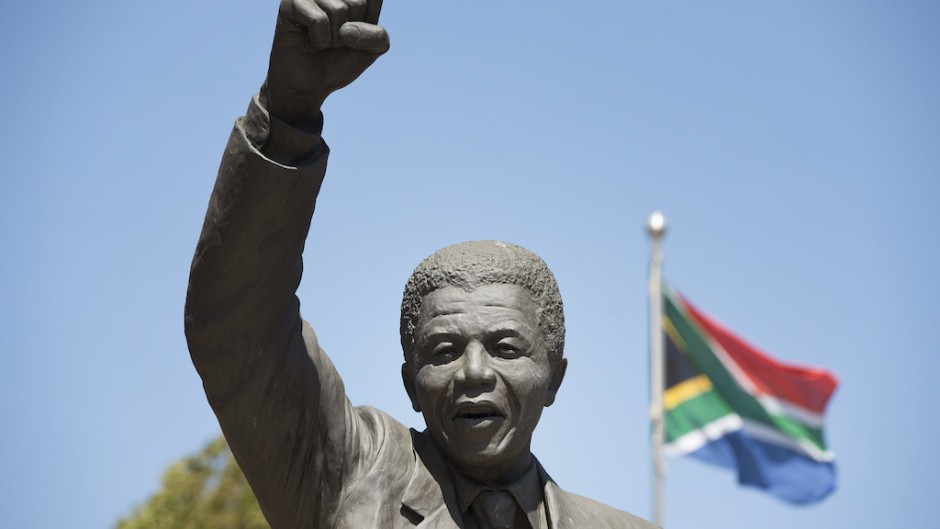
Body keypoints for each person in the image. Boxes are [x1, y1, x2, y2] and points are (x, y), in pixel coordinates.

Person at [185, 1, 658, 528]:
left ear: (554, 377)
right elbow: (237, 327)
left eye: (505, 347)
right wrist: (289, 110)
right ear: (410, 382)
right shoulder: (349, 476)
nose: (473, 373)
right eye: (443, 351)